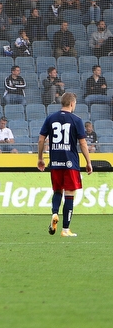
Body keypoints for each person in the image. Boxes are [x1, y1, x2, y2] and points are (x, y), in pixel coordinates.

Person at [38, 92, 93, 237]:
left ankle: (55, 213)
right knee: (69, 193)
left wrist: (40, 158)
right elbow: (82, 142)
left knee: (57, 191)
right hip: (70, 163)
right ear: (72, 104)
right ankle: (65, 229)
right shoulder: (76, 120)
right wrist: (88, 162)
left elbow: (41, 139)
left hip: (55, 162)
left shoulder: (50, 118)